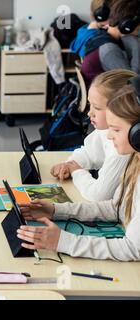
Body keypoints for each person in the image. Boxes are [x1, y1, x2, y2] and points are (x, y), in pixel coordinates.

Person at [17, 76, 140, 261]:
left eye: (116, 130)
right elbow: (116, 209)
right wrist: (56, 211)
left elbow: (133, 248)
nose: (109, 137)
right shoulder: (135, 160)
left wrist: (64, 242)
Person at [50, 69, 136, 201]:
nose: (90, 113)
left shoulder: (122, 149)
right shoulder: (106, 131)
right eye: (90, 105)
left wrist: (77, 172)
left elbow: (98, 195)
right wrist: (69, 165)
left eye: (97, 107)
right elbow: (89, 152)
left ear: (120, 109)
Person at [81, 0, 140, 86]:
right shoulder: (109, 49)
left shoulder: (102, 36)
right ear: (127, 26)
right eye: (138, 30)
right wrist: (136, 44)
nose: (137, 33)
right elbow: (133, 82)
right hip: (104, 97)